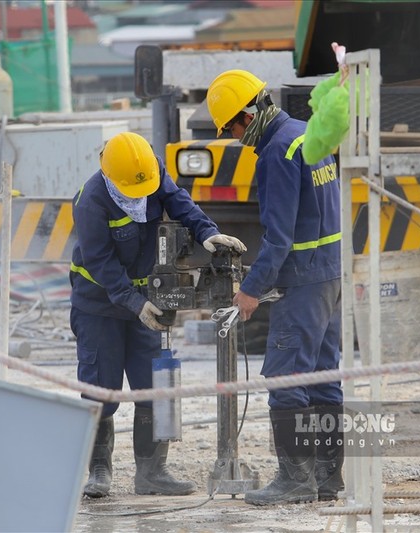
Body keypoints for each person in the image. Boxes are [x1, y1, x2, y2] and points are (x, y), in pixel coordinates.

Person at [70, 131, 246, 498]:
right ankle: (99, 470)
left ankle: (152, 472)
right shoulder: (92, 201)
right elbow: (99, 261)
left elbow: (181, 203)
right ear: (111, 177)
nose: (140, 195)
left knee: (153, 385)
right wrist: (134, 303)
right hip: (100, 302)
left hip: (148, 295)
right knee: (100, 387)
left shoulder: (149, 172)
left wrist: (207, 234)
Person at [206, 70, 344, 506]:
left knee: (285, 379)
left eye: (232, 127)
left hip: (302, 281)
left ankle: (295, 480)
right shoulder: (306, 134)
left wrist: (250, 289)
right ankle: (327, 480)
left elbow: (279, 236)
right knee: (323, 378)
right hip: (330, 276)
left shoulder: (276, 153)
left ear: (248, 115)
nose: (233, 137)